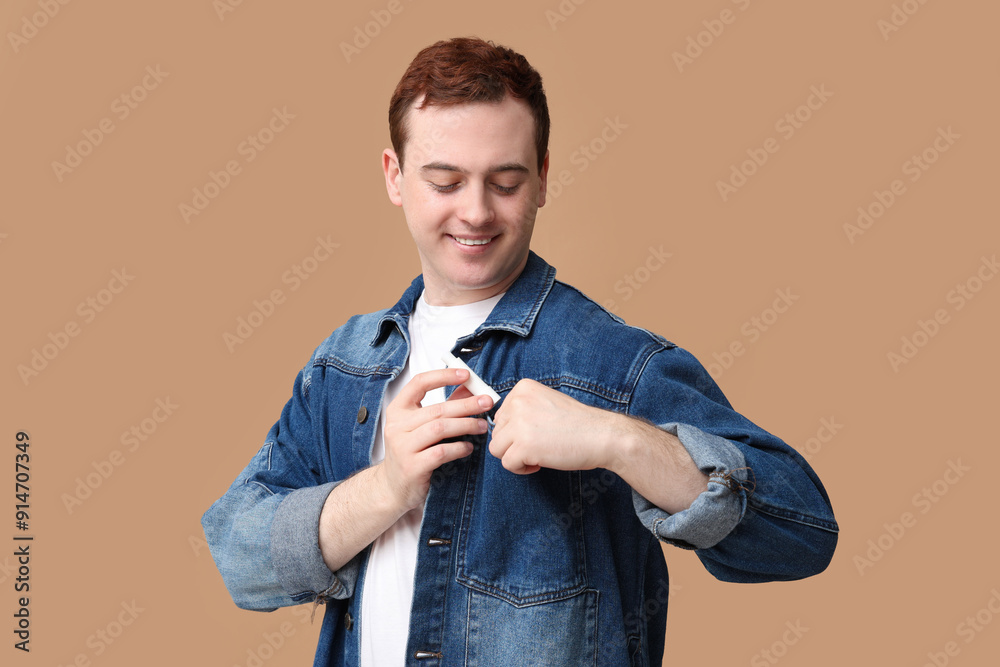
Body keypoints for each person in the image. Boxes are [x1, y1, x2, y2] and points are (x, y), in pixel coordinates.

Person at [202, 36, 838, 666]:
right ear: (395, 178)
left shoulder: (612, 364)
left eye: (505, 182)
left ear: (542, 180)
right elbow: (239, 555)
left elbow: (801, 534)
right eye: (445, 181)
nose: (476, 212)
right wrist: (387, 488)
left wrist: (620, 442)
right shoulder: (344, 365)